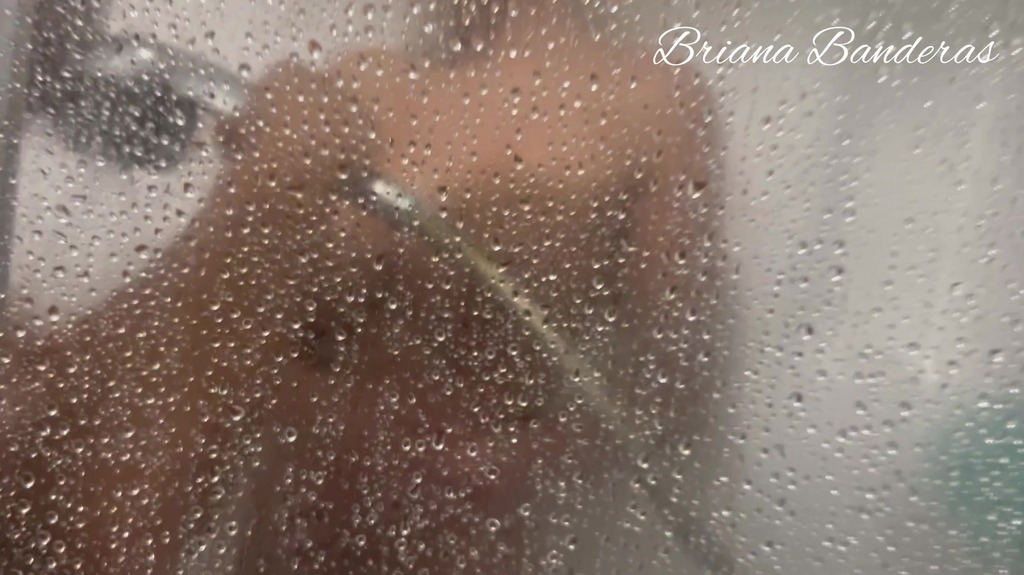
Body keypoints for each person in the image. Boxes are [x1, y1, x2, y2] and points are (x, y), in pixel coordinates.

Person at [0, 1, 716, 573]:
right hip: (303, 502)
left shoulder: (652, 96)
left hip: (468, 527)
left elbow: (673, 378)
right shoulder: (365, 83)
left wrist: (525, 458)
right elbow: (255, 335)